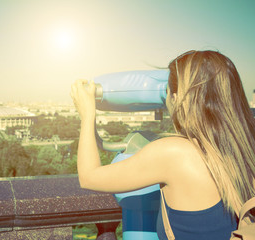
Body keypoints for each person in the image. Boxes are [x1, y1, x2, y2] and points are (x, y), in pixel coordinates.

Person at [70, 50, 255, 239]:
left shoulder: (174, 153)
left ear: (176, 99)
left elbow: (89, 177)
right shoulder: (246, 147)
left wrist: (87, 113)